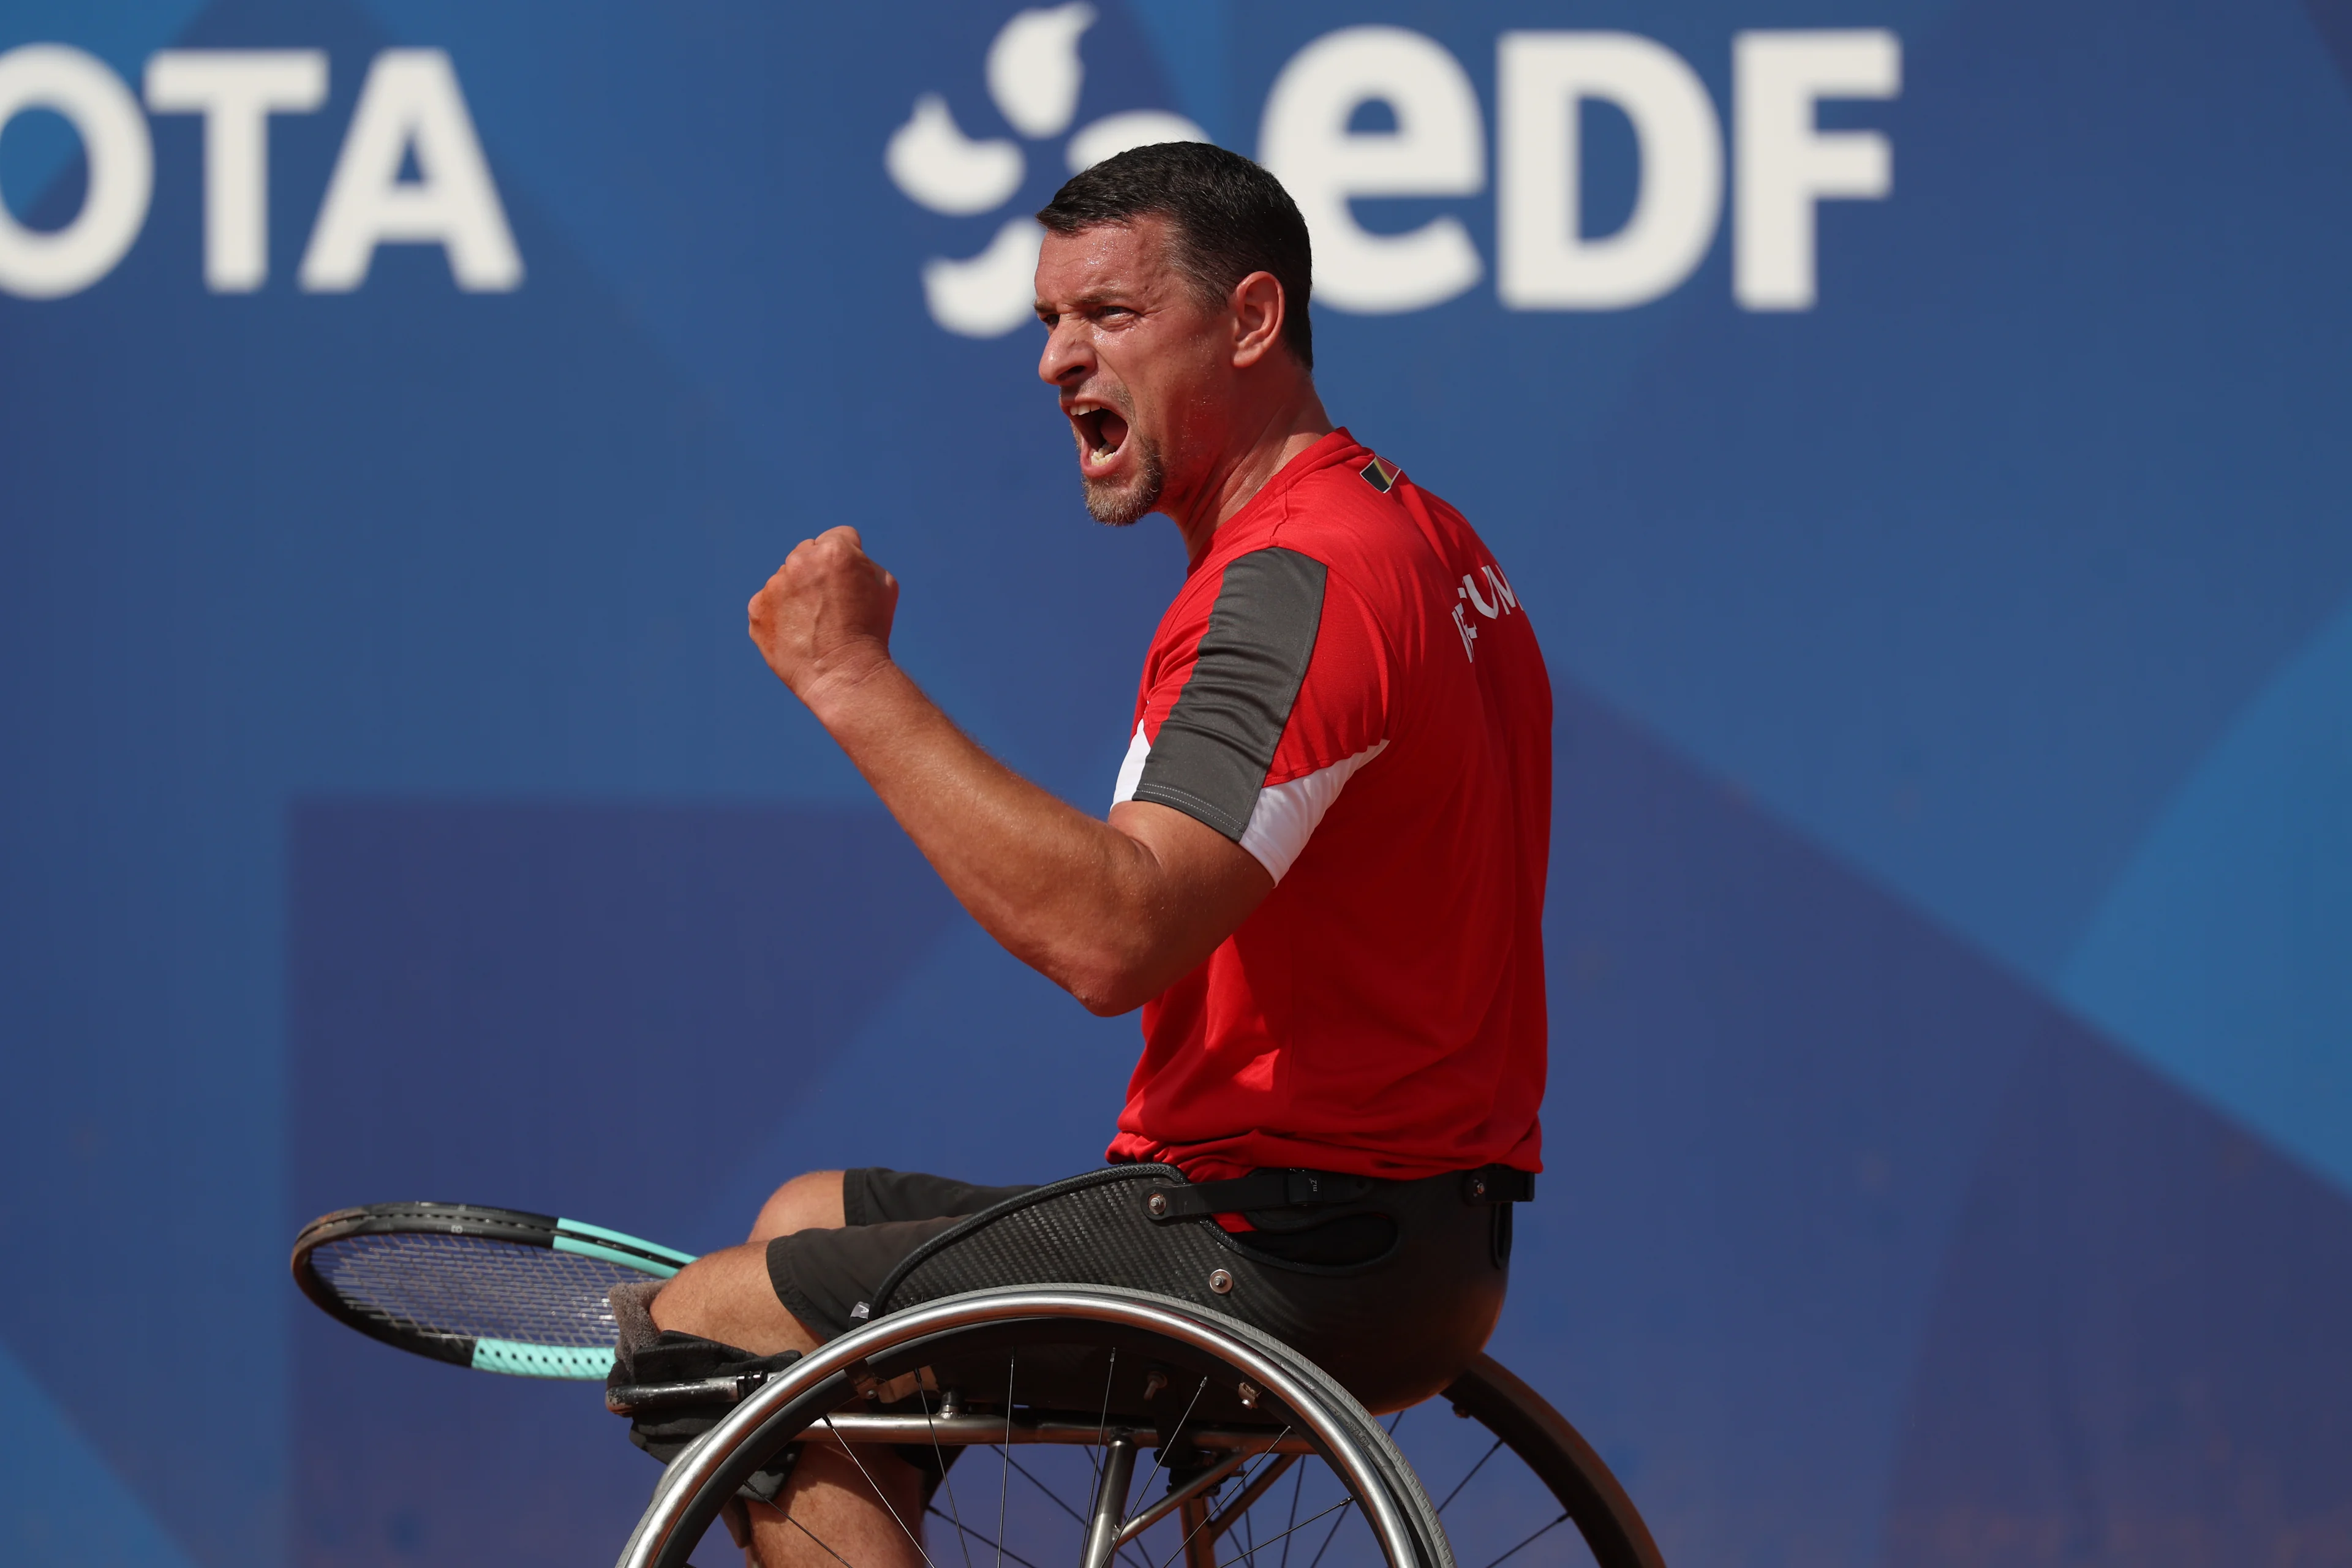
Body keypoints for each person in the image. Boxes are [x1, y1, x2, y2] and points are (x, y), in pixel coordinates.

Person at [636, 141, 1551, 1568]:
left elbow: (1114, 935)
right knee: (801, 1220)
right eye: (1050, 323)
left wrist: (851, 682)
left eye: (1109, 316)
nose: (1061, 360)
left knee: (710, 1319)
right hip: (1397, 1228)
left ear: (1251, 320)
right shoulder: (1416, 533)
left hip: (1292, 1245)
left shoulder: (1299, 579)